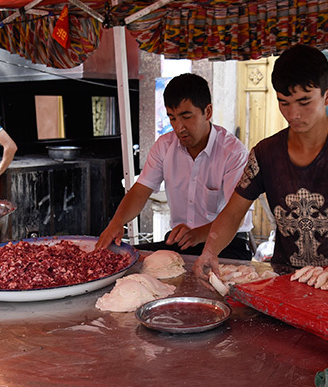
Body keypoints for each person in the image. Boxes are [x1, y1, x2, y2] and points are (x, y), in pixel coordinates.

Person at [194, 44, 328, 285]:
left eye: (304, 102)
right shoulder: (264, 153)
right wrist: (210, 250)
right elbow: (233, 214)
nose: (293, 113)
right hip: (286, 282)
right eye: (284, 102)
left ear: (327, 96)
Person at [96, 73, 253, 259]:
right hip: (181, 242)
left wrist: (198, 234)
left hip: (228, 244)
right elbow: (140, 190)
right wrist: (117, 222)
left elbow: (235, 215)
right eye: (172, 118)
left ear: (208, 112)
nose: (179, 127)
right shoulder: (164, 146)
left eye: (186, 117)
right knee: (128, 260)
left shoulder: (233, 153)